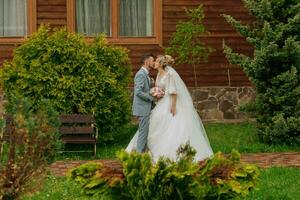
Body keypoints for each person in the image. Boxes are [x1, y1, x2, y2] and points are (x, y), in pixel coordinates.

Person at [127, 55, 213, 162]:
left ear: (161, 64)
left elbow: (173, 91)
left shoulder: (170, 74)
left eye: (156, 61)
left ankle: (167, 152)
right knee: (152, 125)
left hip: (169, 103)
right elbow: (150, 89)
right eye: (153, 61)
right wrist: (155, 93)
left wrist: (173, 106)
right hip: (161, 103)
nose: (154, 63)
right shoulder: (157, 74)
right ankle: (143, 152)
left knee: (170, 125)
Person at [132, 53, 161, 153]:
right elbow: (138, 92)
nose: (153, 63)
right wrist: (151, 98)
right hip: (142, 108)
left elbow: (145, 89)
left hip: (146, 108)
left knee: (145, 132)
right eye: (152, 61)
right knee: (143, 133)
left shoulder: (146, 74)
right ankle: (139, 156)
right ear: (146, 62)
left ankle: (143, 154)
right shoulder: (140, 74)